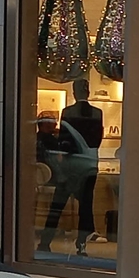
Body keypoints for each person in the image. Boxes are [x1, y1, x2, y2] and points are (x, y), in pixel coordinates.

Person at [38, 81, 102, 255]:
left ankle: (45, 241)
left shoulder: (68, 112)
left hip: (70, 164)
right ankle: (81, 244)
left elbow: (64, 142)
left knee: (58, 205)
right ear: (88, 91)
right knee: (85, 206)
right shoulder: (97, 113)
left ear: (74, 92)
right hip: (89, 163)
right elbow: (97, 140)